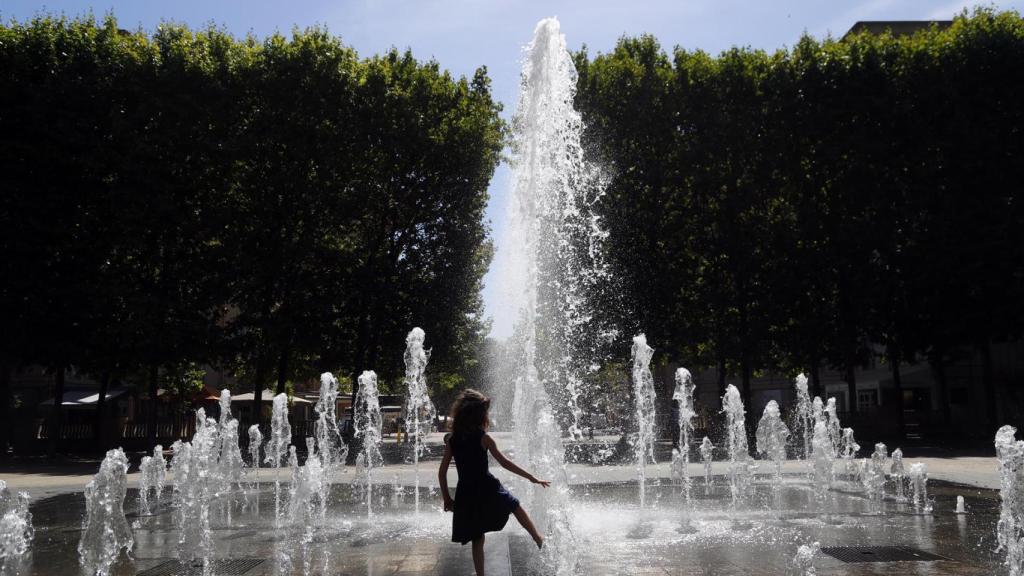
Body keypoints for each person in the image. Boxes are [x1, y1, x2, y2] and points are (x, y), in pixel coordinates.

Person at [438, 389, 547, 576]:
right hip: (487, 487)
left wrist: (447, 498)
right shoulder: (484, 438)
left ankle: (480, 574)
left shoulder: (453, 441)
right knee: (515, 505)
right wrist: (531, 477)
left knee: (477, 536)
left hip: (466, 491)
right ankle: (537, 537)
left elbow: (442, 473)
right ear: (481, 416)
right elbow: (505, 463)